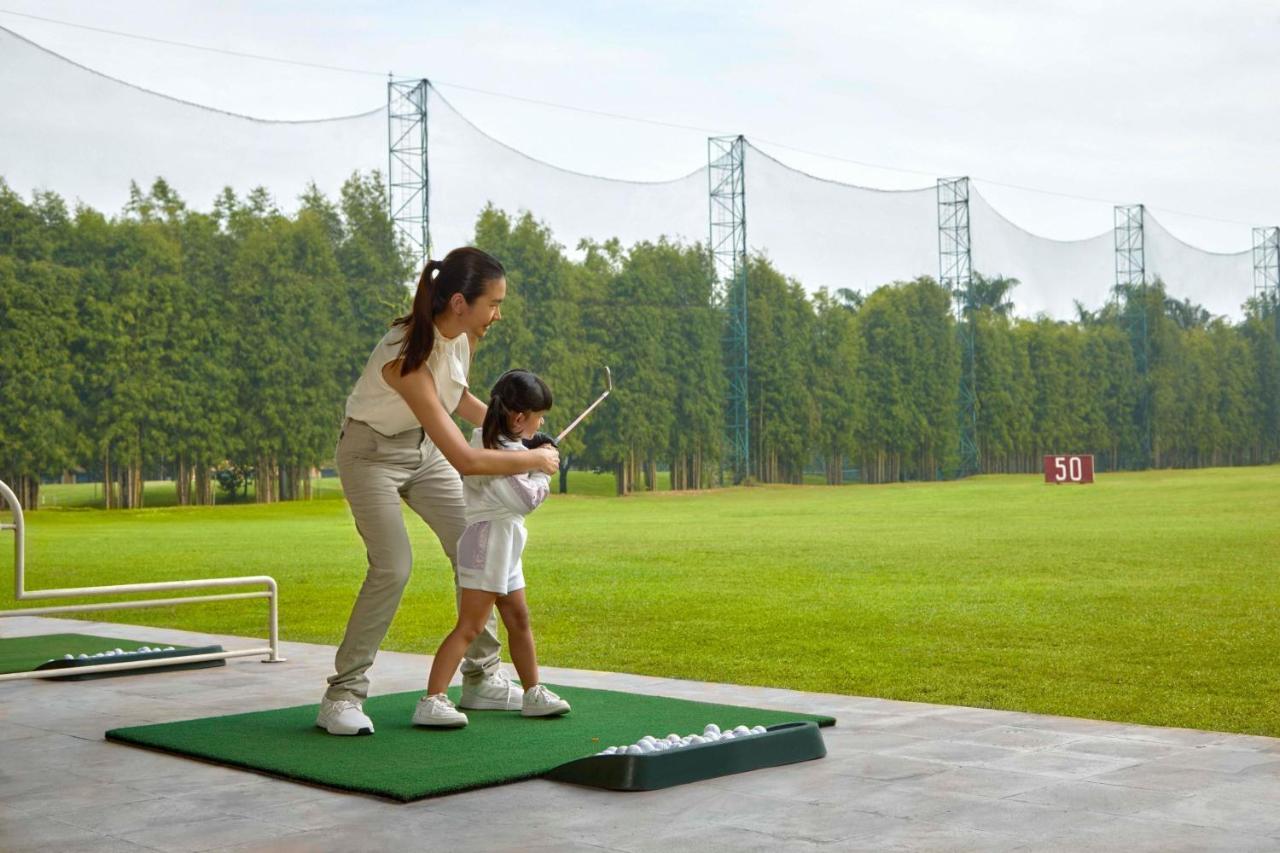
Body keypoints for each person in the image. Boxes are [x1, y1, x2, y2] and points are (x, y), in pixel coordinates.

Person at [316, 248, 560, 736]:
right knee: (393, 565)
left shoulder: (461, 339)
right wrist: (532, 458)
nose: (498, 314)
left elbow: (460, 400)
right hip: (369, 456)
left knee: (475, 545)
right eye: (492, 304)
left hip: (422, 449)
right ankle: (342, 695)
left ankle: (482, 678)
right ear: (458, 302)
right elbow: (466, 460)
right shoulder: (404, 359)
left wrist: (523, 435)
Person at [414, 370, 571, 727]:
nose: (541, 423)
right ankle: (432, 700)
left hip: (507, 548)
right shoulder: (493, 452)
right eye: (538, 417)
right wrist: (544, 469)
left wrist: (534, 455)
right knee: (470, 626)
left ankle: (533, 692)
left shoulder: (510, 447)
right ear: (518, 418)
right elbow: (525, 500)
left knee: (519, 619)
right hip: (487, 545)